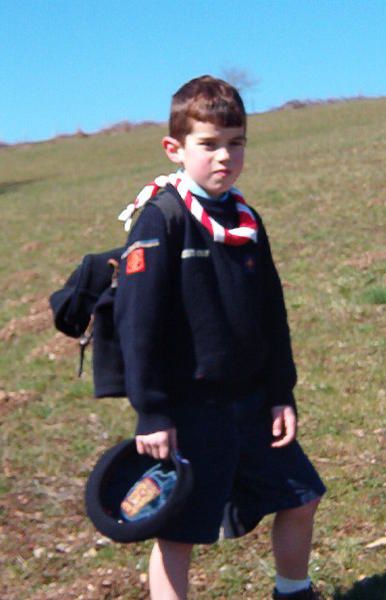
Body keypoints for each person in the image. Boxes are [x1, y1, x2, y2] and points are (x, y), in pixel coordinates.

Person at [115, 75, 326, 600]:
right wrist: (153, 412)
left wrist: (281, 391)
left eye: (236, 143)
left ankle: (293, 592)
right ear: (175, 148)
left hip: (253, 403)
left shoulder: (246, 219)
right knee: (178, 530)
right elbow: (136, 325)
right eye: (208, 145)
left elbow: (271, 314)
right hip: (190, 411)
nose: (224, 157)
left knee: (301, 497)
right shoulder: (161, 218)